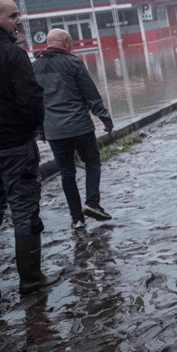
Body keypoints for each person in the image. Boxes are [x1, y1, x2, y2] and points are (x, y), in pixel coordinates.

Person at [0, 0, 60, 299]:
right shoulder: (11, 54)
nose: (19, 20)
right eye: (13, 15)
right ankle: (31, 280)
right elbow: (30, 100)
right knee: (23, 208)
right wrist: (32, 128)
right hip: (15, 146)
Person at [33, 29, 113, 229]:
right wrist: (105, 118)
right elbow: (91, 94)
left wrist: (39, 129)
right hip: (80, 127)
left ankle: (76, 218)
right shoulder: (73, 63)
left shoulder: (34, 67)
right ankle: (92, 203)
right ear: (67, 42)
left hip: (54, 132)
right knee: (92, 162)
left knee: (66, 173)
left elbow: (33, 102)